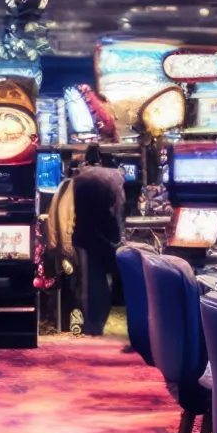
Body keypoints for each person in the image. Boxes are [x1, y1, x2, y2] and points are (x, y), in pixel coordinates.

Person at [70, 143, 125, 337]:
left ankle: (94, 327)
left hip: (85, 236)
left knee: (92, 283)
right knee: (115, 281)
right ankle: (117, 324)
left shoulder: (79, 178)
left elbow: (74, 211)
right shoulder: (115, 175)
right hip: (109, 237)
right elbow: (119, 207)